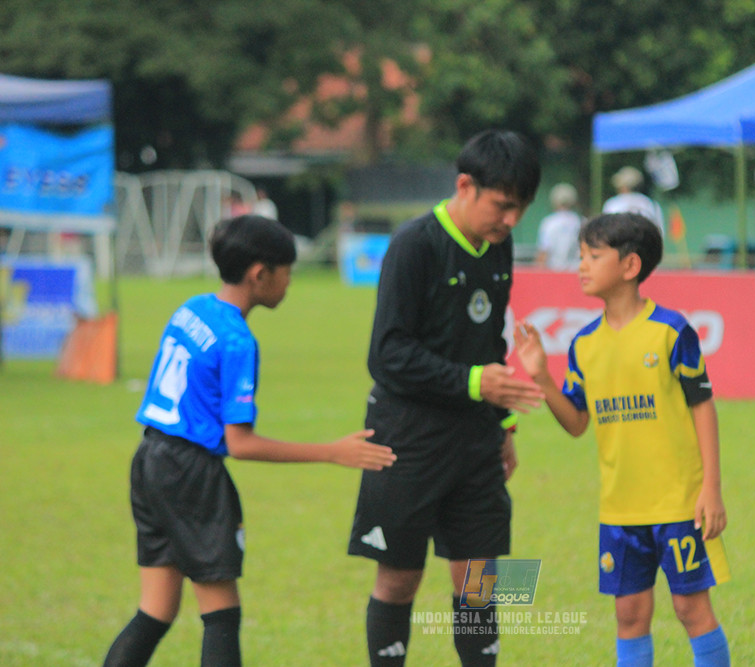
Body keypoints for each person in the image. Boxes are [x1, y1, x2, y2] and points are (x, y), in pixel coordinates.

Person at [102, 215, 396, 667]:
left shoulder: (192, 308)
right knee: (221, 614)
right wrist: (332, 452)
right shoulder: (238, 342)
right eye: (287, 273)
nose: (289, 283)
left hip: (150, 459)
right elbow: (241, 444)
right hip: (190, 473)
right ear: (261, 275)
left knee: (156, 609)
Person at [347, 129, 545, 667]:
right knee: (399, 577)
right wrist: (475, 382)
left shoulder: (499, 248)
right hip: (406, 435)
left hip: (475, 439)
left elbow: (489, 343)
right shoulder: (414, 245)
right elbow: (386, 354)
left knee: (479, 578)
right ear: (465, 185)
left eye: (519, 210)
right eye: (503, 206)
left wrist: (501, 425)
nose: (509, 221)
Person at [514, 212, 731, 667]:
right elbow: (576, 423)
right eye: (580, 256)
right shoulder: (583, 345)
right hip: (619, 508)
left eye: (594, 256)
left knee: (691, 608)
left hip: (678, 503)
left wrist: (710, 488)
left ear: (630, 266)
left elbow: (702, 407)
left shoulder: (672, 331)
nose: (581, 266)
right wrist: (542, 377)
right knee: (629, 614)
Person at [602, 166, 665, 237]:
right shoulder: (652, 204)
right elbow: (660, 232)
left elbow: (607, 231)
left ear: (623, 186)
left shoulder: (613, 203)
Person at [536, 182, 583, 270]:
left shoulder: (549, 223)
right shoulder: (581, 221)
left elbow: (543, 253)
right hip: (576, 273)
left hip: (554, 273)